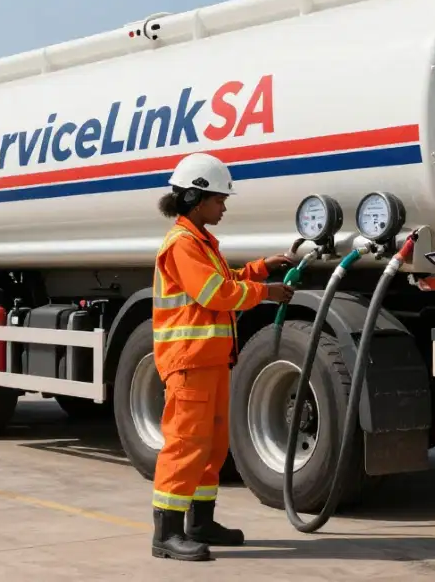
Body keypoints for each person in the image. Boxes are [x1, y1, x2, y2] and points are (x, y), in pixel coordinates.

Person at [149, 152, 296, 562]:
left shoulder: (200, 242)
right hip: (188, 362)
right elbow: (214, 294)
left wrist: (260, 269)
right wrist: (265, 293)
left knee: (212, 445)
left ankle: (199, 522)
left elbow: (223, 282)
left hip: (210, 360)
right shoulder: (181, 244)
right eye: (218, 199)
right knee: (185, 444)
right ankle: (167, 534)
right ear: (196, 199)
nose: (224, 206)